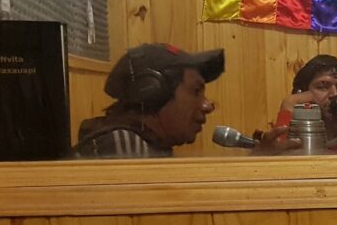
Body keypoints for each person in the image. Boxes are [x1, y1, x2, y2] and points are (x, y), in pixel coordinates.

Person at [74, 44, 225, 158]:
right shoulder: (123, 149)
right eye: (196, 91)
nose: (207, 106)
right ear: (152, 92)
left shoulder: (145, 147)